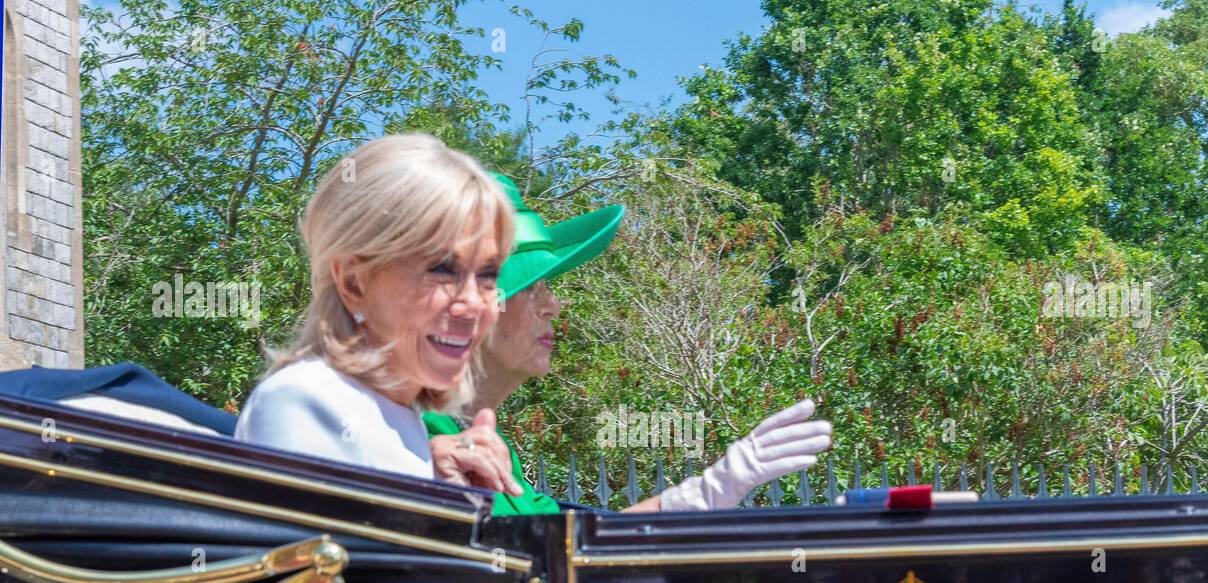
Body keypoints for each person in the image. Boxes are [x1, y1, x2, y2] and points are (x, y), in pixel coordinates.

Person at [424, 174, 831, 513]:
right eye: (533, 288)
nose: (554, 305)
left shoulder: (485, 444)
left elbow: (570, 546)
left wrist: (696, 498)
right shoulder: (425, 441)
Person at [233, 133, 520, 493]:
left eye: (488, 275)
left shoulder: (403, 421)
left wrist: (453, 496)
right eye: (442, 269)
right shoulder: (309, 400)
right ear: (354, 283)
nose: (475, 304)